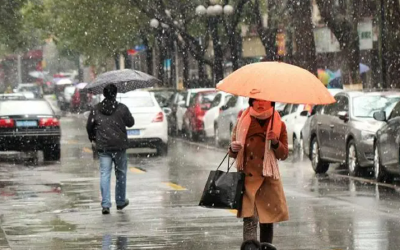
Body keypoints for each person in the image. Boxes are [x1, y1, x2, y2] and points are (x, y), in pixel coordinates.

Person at [229, 98, 289, 248]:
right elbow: (232, 151)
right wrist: (233, 149)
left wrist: (275, 142)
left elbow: (284, 154)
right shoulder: (242, 122)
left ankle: (265, 247)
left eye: (265, 101)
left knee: (267, 221)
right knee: (250, 220)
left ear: (272, 103)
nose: (260, 103)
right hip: (248, 179)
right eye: (256, 100)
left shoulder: (278, 124)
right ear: (251, 102)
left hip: (268, 179)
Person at [86, 84, 135, 215]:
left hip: (103, 146)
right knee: (121, 174)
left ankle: (106, 204)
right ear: (115, 94)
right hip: (119, 146)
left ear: (104, 94)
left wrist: (94, 138)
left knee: (105, 174)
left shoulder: (96, 109)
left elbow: (89, 126)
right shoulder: (122, 108)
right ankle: (120, 201)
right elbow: (131, 123)